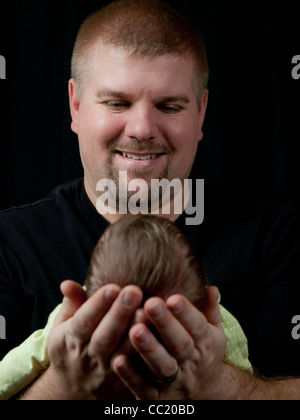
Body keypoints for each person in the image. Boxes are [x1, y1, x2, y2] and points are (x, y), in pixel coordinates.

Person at [0, 0, 299, 399]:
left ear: (201, 113)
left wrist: (218, 385)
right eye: (117, 103)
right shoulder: (9, 243)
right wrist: (63, 385)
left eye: (169, 106)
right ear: (75, 105)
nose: (142, 128)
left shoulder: (278, 239)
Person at [0, 214, 251, 400]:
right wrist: (60, 386)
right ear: (87, 303)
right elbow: (241, 363)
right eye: (121, 321)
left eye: (164, 324)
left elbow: (13, 371)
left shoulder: (214, 326)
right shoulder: (71, 330)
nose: (141, 339)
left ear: (203, 306)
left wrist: (217, 382)